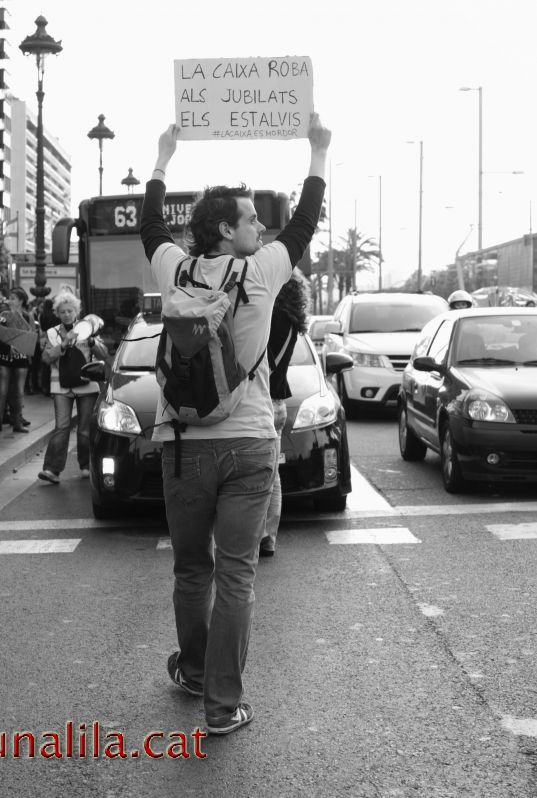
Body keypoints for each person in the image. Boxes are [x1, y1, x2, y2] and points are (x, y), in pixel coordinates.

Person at [140, 114, 330, 735]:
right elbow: (304, 221)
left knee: (192, 569)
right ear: (228, 229)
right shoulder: (264, 271)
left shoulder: (174, 269)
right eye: (251, 219)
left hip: (182, 443)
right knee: (237, 576)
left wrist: (163, 161)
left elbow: (150, 226)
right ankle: (222, 706)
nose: (261, 226)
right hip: (248, 442)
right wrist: (318, 152)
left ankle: (194, 673)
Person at [260, 268, 311, 558]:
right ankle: (268, 536)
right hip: (279, 403)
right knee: (272, 474)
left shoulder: (268, 318)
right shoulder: (292, 323)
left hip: (260, 403)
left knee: (254, 474)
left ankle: (251, 536)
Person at [37, 290, 108, 484]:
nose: (67, 314)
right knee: (61, 427)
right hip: (61, 387)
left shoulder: (88, 329)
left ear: (76, 311)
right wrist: (65, 343)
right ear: (57, 314)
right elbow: (46, 357)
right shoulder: (52, 332)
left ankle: (87, 466)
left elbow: (103, 354)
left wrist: (92, 342)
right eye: (62, 312)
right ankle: (52, 470)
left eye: (70, 310)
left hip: (87, 385)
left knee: (85, 429)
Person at [0, 287, 35, 436]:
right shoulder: (3, 314)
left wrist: (18, 317)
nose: (9, 301)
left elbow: (31, 335)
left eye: (13, 298)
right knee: (2, 392)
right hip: (5, 357)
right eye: (9, 298)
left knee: (18, 392)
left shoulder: (27, 316)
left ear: (21, 301)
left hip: (22, 358)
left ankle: (17, 422)